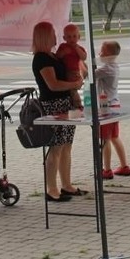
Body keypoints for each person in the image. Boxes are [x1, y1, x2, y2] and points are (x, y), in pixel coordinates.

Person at [31, 21, 86, 202]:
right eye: (53, 32)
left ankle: (66, 184)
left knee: (66, 145)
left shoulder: (53, 56)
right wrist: (74, 84)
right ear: (46, 36)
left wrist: (76, 82)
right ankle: (51, 189)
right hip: (53, 105)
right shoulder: (41, 58)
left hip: (66, 103)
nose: (56, 36)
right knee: (55, 147)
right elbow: (52, 85)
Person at [96, 40, 130, 179]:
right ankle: (124, 165)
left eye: (102, 51)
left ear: (109, 54)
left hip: (106, 106)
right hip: (115, 104)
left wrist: (80, 62)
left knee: (104, 139)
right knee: (115, 137)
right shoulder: (114, 66)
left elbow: (89, 74)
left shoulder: (106, 69)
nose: (100, 53)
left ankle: (107, 169)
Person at [55, 23, 88, 109]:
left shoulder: (79, 48)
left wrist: (77, 49)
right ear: (64, 38)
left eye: (74, 36)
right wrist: (63, 53)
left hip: (74, 72)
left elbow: (84, 57)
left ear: (78, 37)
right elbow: (57, 56)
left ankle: (78, 104)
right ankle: (74, 104)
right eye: (69, 37)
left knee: (73, 90)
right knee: (69, 90)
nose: (72, 39)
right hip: (65, 71)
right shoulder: (63, 46)